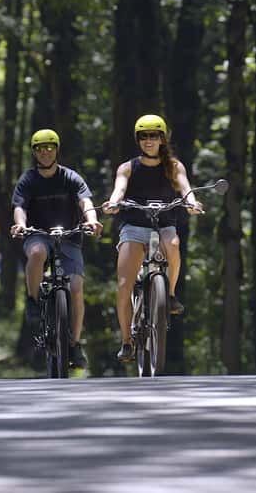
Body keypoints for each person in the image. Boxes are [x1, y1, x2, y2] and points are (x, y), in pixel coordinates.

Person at [103, 114, 202, 362]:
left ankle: (168, 294)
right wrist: (114, 203)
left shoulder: (174, 166)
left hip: (165, 223)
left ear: (162, 138)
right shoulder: (127, 167)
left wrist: (192, 203)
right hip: (134, 226)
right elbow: (119, 189)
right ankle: (126, 341)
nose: (149, 140)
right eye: (144, 136)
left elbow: (185, 188)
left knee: (174, 243)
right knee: (125, 285)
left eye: (154, 135)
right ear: (138, 140)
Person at [9, 129, 103, 371]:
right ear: (34, 153)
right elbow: (20, 207)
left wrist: (91, 220)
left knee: (76, 288)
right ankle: (32, 300)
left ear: (57, 149)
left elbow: (86, 202)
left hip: (70, 236)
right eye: (40, 149)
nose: (45, 152)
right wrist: (20, 225)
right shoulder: (28, 180)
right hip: (38, 234)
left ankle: (74, 343)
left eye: (49, 147)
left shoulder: (70, 177)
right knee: (38, 253)